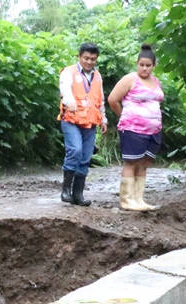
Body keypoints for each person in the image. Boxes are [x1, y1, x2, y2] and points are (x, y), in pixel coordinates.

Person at [108, 44, 164, 211]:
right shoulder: (130, 79)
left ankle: (139, 199)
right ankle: (127, 200)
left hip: (154, 130)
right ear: (137, 63)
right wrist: (126, 116)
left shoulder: (156, 81)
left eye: (148, 65)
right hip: (133, 128)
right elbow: (113, 99)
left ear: (154, 65)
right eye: (141, 65)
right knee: (131, 162)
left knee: (145, 163)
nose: (144, 68)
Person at [58, 43, 108, 207]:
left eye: (93, 59)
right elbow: (65, 89)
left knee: (86, 157)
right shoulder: (69, 72)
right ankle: (66, 190)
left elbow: (100, 99)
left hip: (90, 122)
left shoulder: (98, 76)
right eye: (86, 58)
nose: (89, 62)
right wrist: (70, 102)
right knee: (75, 150)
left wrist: (104, 119)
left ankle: (78, 194)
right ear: (79, 56)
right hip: (71, 120)